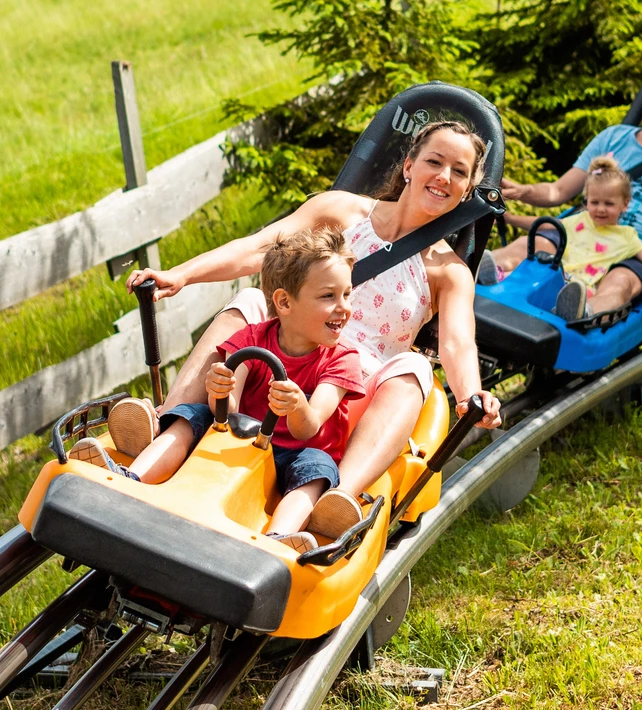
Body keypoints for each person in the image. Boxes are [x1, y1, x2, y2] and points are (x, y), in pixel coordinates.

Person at [110, 118, 504, 542]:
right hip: (283, 350)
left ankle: (333, 500)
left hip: (348, 388)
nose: (444, 177)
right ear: (409, 165)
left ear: (467, 191)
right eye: (435, 161)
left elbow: (457, 342)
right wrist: (183, 275)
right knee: (250, 299)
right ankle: (168, 423)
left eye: (459, 172)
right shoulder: (341, 212)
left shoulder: (449, 271)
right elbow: (260, 249)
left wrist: (471, 395)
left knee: (417, 368)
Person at [73, 229, 368, 550]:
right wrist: (219, 389)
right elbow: (225, 413)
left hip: (297, 455)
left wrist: (298, 405)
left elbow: (307, 428)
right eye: (329, 296)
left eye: (347, 295)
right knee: (192, 415)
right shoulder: (252, 338)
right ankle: (130, 478)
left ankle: (279, 538)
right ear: (284, 301)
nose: (344, 307)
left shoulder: (342, 359)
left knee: (317, 469)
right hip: (246, 445)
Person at [498, 58, 642, 317]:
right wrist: (523, 191)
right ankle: (485, 275)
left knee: (620, 284)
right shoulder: (612, 138)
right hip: (584, 232)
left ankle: (580, 313)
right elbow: (558, 192)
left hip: (638, 250)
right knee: (529, 247)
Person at [487, 155, 642, 320]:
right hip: (557, 276)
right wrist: (510, 218)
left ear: (625, 204)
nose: (601, 209)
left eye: (609, 203)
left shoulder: (627, 236)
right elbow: (546, 224)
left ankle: (580, 314)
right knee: (535, 271)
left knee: (578, 298)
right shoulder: (581, 220)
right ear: (586, 201)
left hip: (581, 289)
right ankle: (493, 276)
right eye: (595, 202)